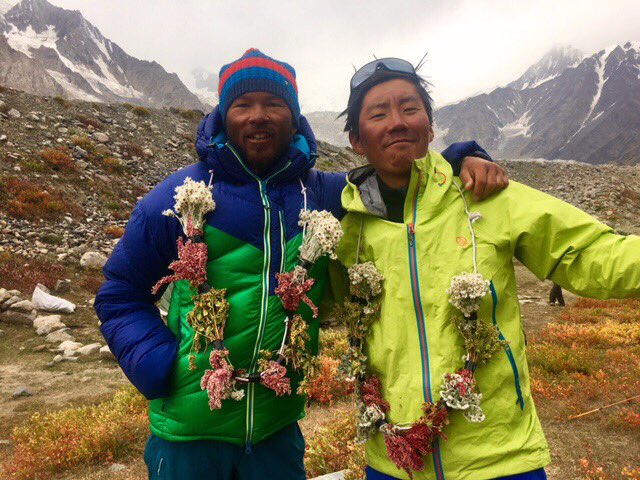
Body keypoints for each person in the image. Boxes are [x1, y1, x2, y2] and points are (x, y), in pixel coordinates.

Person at [94, 49, 506, 480]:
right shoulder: (180, 195)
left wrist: (462, 158)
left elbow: (396, 179)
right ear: (223, 115)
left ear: (293, 118)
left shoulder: (323, 194)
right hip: (188, 435)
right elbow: (120, 293)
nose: (259, 116)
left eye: (274, 105)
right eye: (243, 105)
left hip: (277, 433)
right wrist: (156, 364)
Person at [334, 57, 640, 480]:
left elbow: (591, 254)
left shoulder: (486, 196)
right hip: (393, 463)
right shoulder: (348, 229)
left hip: (500, 459)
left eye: (409, 108)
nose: (397, 122)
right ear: (356, 140)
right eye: (378, 113)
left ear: (431, 127)